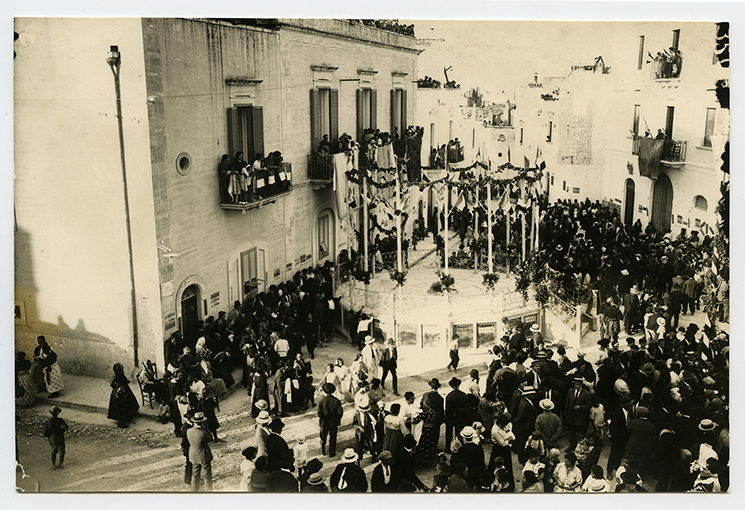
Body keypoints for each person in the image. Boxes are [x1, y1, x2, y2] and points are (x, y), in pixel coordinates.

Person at [106, 363, 140, 428]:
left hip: (122, 391)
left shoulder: (120, 375)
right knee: (121, 407)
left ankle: (125, 418)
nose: (122, 370)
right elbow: (113, 384)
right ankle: (121, 422)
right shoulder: (116, 377)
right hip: (119, 394)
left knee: (125, 405)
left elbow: (124, 380)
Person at [187, 411, 214, 491]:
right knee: (206, 475)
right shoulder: (203, 433)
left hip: (193, 454)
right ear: (202, 422)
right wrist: (206, 428)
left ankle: (194, 491)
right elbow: (210, 438)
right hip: (203, 455)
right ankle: (209, 491)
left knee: (195, 474)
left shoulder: (188, 431)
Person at [317, 382, 343, 457]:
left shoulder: (322, 401)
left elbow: (319, 413)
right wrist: (335, 420)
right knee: (333, 438)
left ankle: (323, 451)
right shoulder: (336, 401)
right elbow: (340, 413)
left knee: (323, 437)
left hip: (324, 423)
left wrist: (326, 420)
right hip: (333, 423)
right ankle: (332, 452)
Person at [445, 377, 468, 452]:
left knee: (449, 432)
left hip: (451, 416)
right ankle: (460, 447)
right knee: (459, 433)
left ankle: (448, 447)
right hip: (460, 416)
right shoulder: (463, 395)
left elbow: (448, 409)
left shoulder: (449, 396)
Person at [43, 406, 68, 470]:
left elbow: (45, 431)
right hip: (60, 436)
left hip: (53, 437)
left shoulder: (48, 421)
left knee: (53, 450)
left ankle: (53, 464)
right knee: (61, 450)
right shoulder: (60, 420)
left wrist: (48, 435)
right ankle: (61, 463)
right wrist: (61, 431)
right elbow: (66, 427)